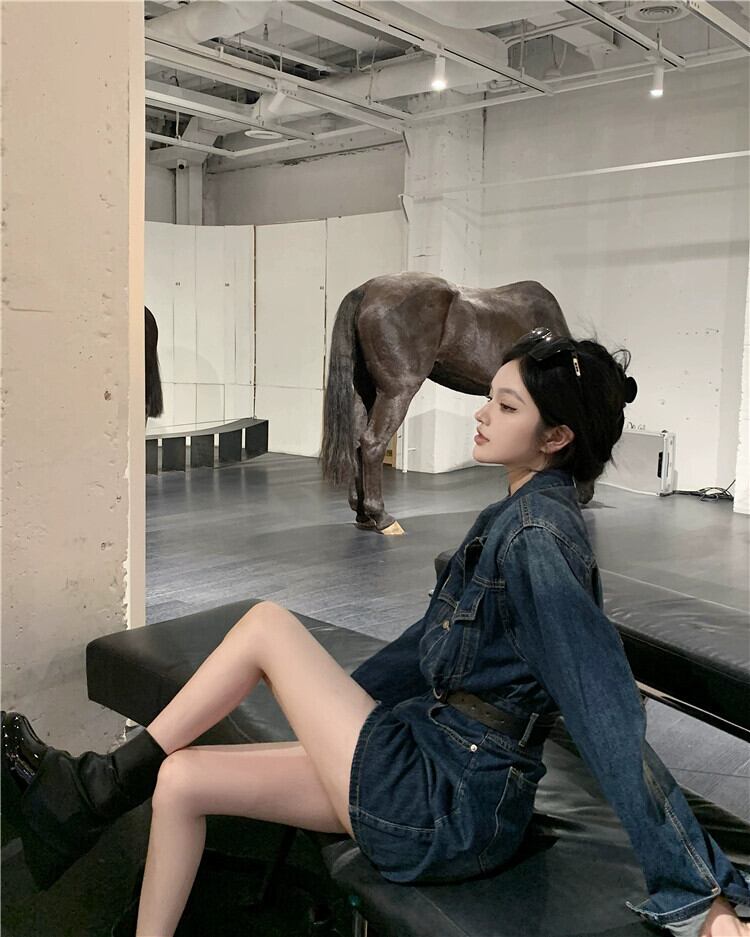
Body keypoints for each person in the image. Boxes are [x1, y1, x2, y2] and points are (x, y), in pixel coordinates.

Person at [3, 328, 749, 937]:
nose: (481, 415)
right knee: (181, 780)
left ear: (555, 435)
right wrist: (329, 717)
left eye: (505, 406)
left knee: (266, 625)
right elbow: (422, 647)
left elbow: (604, 707)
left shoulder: (536, 539)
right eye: (489, 397)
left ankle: (95, 787)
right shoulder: (512, 517)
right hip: (427, 759)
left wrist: (699, 887)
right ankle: (105, 815)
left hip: (451, 804)